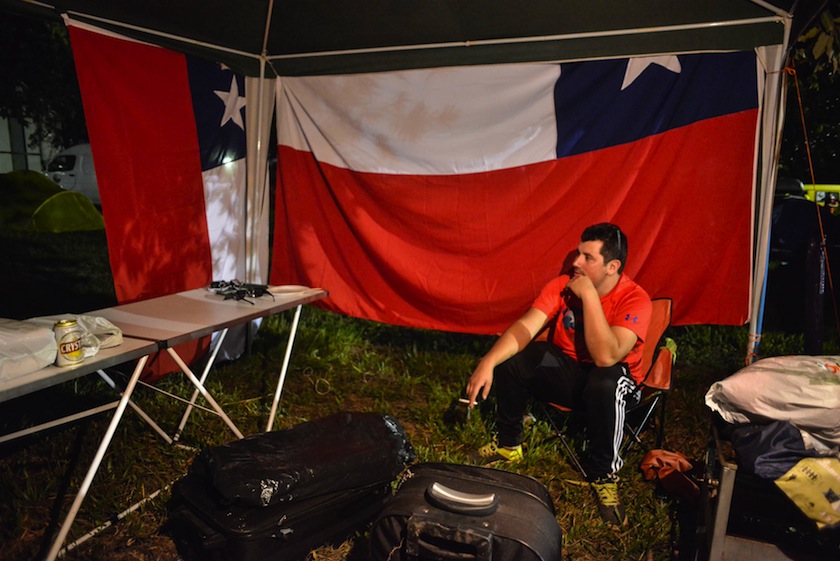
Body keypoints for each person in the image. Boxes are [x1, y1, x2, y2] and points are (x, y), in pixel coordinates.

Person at [465, 222, 652, 526]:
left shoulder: (635, 299)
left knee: (605, 380)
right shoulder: (562, 285)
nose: (576, 263)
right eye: (578, 254)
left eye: (587, 258)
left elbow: (607, 357)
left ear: (612, 266)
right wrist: (488, 361)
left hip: (616, 386)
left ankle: (604, 473)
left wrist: (590, 298)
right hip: (574, 376)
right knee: (516, 357)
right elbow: (526, 326)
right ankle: (509, 444)